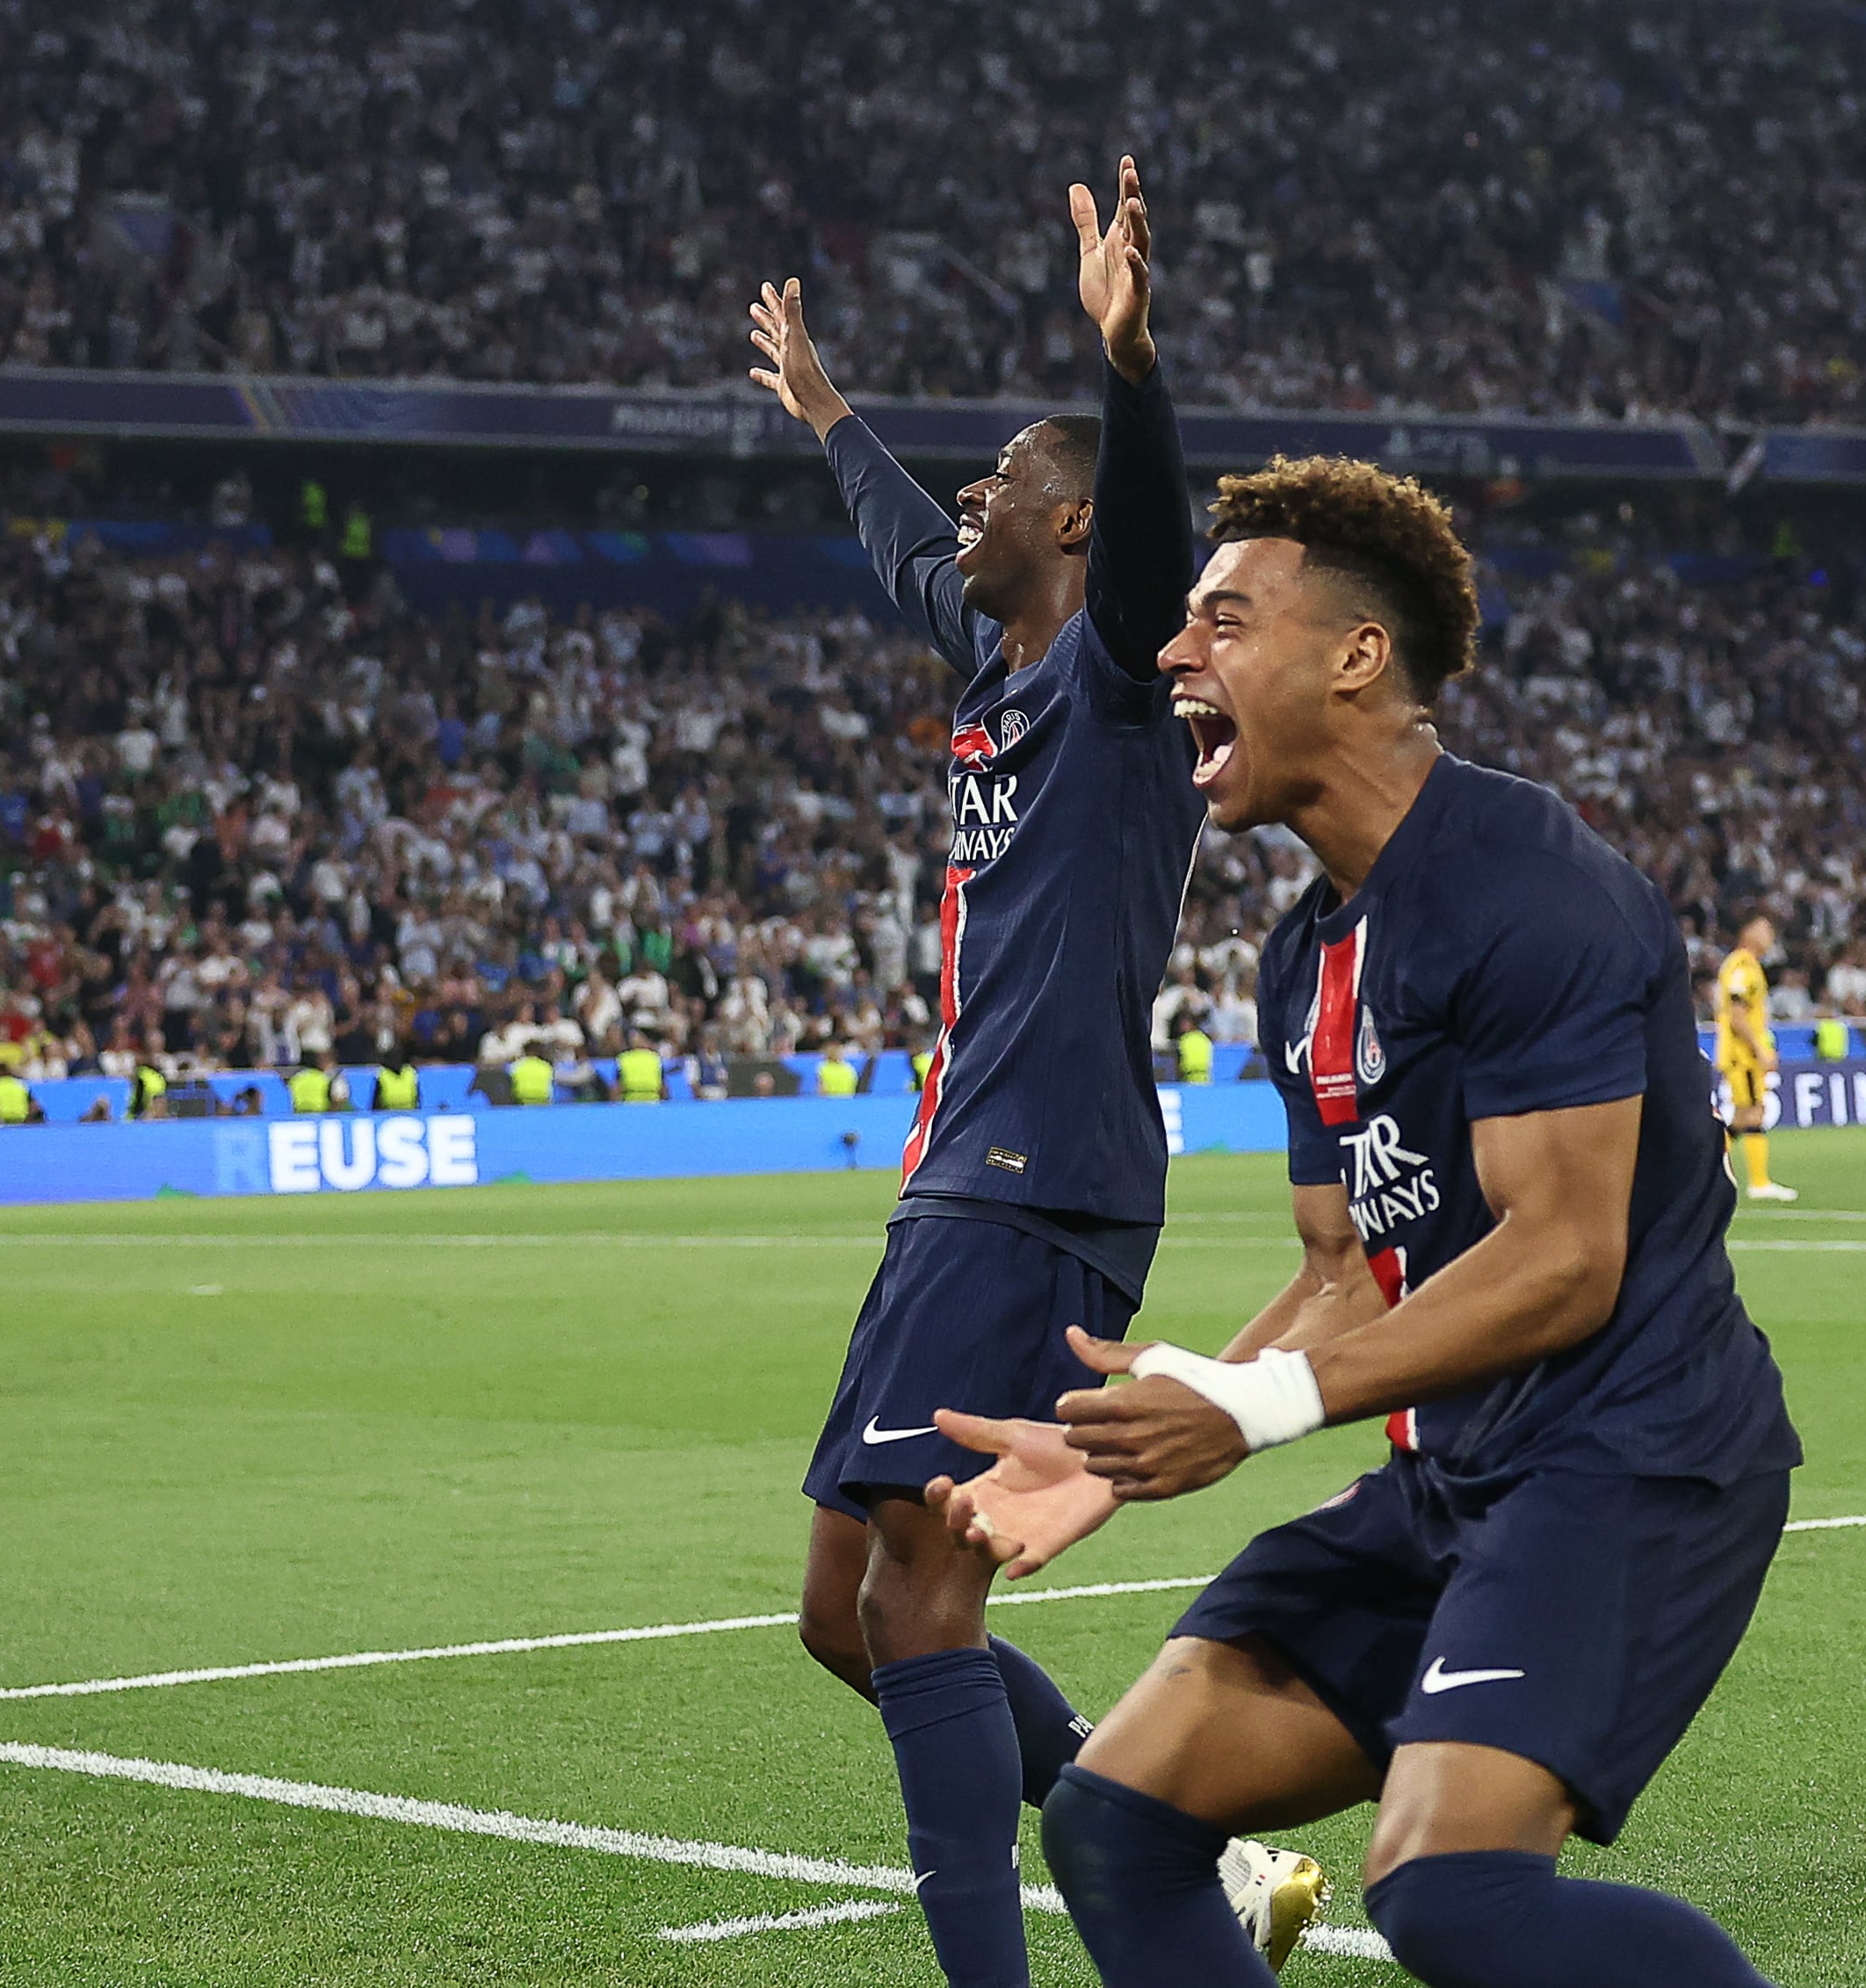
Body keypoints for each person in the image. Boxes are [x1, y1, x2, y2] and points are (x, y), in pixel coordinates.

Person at [929, 457, 1804, 1987]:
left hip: (1628, 1459)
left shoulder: (1527, 887)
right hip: (1450, 1480)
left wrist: (1256, 1407)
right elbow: (1344, 1267)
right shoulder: (1303, 956)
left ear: (1354, 654)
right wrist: (1133, 1433)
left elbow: (1562, 1256)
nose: (1168, 652)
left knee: (1450, 1891)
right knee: (1112, 1816)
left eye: (1220, 619)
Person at [749, 159, 1319, 1982]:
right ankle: (1180, 1855)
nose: (976, 502)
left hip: (1033, 1176)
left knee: (924, 1596)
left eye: (1007, 483)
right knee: (847, 1616)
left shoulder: (1112, 674)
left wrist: (1130, 362)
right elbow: (909, 545)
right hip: (960, 1178)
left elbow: (1144, 529)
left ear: (1071, 536)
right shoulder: (994, 668)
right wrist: (831, 415)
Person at [1716, 914, 1797, 1203]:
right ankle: (1759, 1183)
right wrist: (1760, 1049)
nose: (1769, 934)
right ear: (1746, 931)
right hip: (1742, 1055)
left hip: (1742, 1054)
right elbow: (1737, 1015)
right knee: (1754, 1113)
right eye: (1764, 928)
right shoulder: (1741, 967)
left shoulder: (1748, 966)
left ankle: (1707, 1168)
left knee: (1741, 1119)